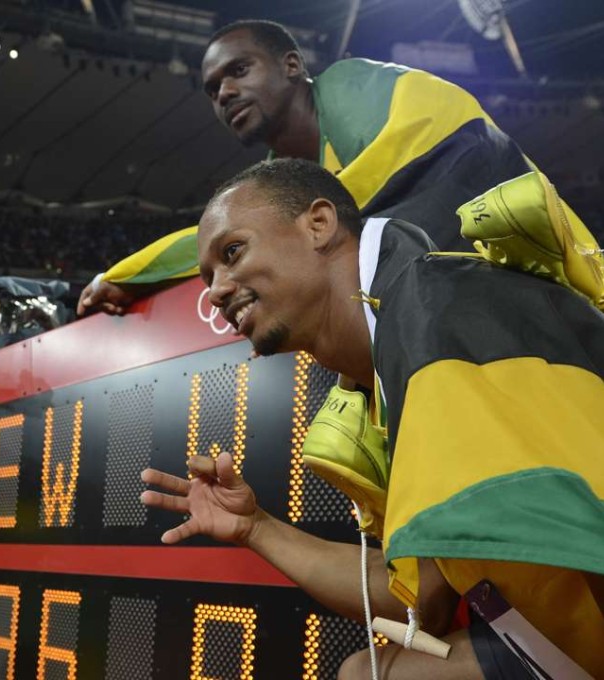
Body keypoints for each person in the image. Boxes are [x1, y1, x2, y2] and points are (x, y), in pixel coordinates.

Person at [140, 159, 604, 678]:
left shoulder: (446, 314)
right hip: (560, 638)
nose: (217, 290)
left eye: (232, 252)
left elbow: (587, 522)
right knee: (364, 674)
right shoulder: (390, 356)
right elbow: (422, 597)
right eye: (208, 276)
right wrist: (256, 528)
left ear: (319, 224)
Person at [77, 19, 598, 316]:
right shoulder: (281, 174)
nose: (225, 93)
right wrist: (122, 278)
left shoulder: (352, 88)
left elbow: (434, 143)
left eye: (238, 71)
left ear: (292, 66)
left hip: (562, 288)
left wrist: (269, 233)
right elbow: (220, 237)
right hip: (465, 318)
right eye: (213, 90)